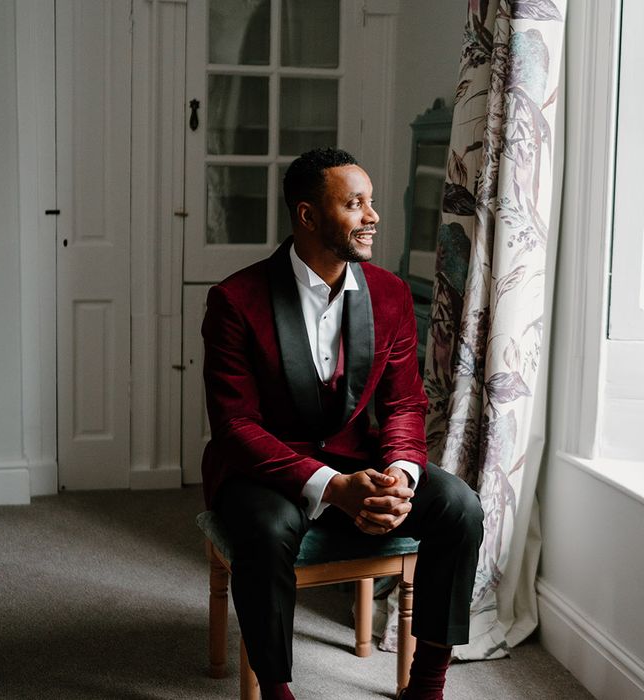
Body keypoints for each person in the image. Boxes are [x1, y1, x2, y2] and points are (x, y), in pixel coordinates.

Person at [201, 147, 483, 700]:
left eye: (371, 202)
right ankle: (278, 692)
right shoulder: (236, 300)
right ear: (307, 216)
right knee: (265, 529)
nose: (373, 216)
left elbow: (405, 403)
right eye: (355, 204)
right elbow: (236, 426)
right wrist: (332, 488)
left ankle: (427, 686)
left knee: (460, 507)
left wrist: (399, 476)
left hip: (359, 455)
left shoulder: (391, 294)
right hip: (265, 469)